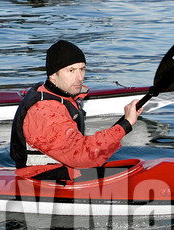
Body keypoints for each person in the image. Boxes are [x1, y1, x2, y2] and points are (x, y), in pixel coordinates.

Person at [9, 40, 141, 180]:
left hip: (63, 172)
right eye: (71, 70)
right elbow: (81, 155)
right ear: (53, 74)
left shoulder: (60, 96)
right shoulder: (44, 112)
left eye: (82, 69)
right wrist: (126, 125)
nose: (80, 77)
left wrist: (124, 123)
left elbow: (80, 151)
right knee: (137, 179)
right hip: (44, 182)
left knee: (137, 169)